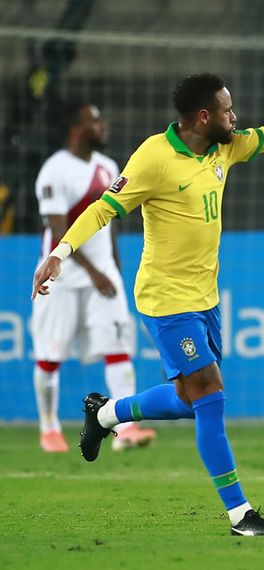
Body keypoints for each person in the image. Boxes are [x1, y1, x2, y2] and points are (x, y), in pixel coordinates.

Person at [32, 34, 264, 536]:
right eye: (227, 110)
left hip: (205, 299)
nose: (235, 116)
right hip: (165, 301)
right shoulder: (153, 157)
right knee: (210, 396)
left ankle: (107, 415)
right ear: (203, 116)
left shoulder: (222, 150)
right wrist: (59, 253)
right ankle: (239, 513)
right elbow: (103, 208)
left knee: (189, 399)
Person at [31, 100, 155, 453]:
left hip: (104, 276)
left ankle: (127, 428)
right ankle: (50, 428)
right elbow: (59, 231)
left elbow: (110, 224)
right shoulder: (55, 171)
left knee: (118, 348)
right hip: (62, 278)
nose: (103, 127)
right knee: (50, 354)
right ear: (75, 129)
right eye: (94, 122)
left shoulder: (109, 167)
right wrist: (94, 271)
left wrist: (112, 268)